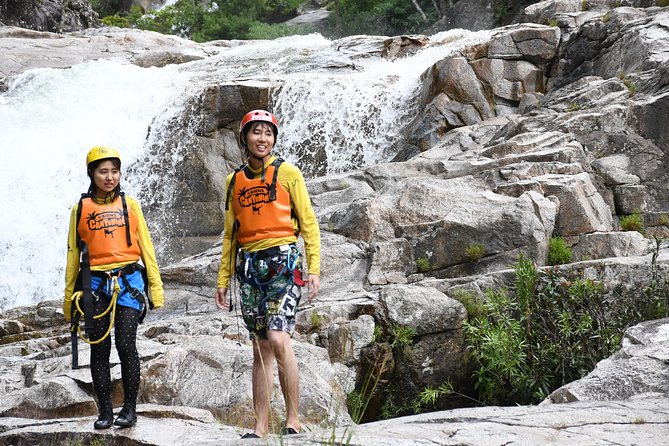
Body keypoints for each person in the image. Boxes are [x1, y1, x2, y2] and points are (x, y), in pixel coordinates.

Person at [215, 110, 321, 439]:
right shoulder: (234, 181)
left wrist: (313, 267)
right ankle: (260, 426)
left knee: (277, 338)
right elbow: (230, 233)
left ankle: (292, 419)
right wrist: (222, 280)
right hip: (249, 266)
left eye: (268, 133)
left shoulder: (288, 173)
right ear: (245, 138)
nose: (263, 139)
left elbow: (309, 223)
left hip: (284, 262)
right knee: (260, 347)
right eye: (256, 133)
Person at [62, 146, 164, 430]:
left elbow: (147, 247)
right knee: (100, 348)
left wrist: (155, 288)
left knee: (125, 344)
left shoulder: (130, 205)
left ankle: (129, 409)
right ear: (91, 174)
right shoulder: (79, 209)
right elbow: (73, 255)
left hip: (129, 281)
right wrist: (69, 298)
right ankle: (105, 412)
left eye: (114, 172)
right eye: (103, 172)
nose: (109, 177)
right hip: (94, 285)